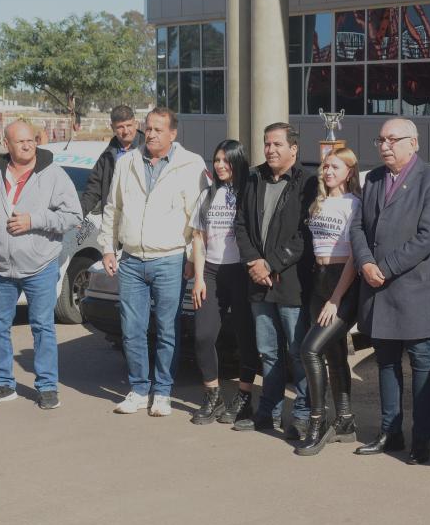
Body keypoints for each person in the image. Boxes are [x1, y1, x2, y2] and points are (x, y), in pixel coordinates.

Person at [350, 118, 430, 465]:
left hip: (414, 289)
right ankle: (390, 431)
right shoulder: (374, 179)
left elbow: (427, 237)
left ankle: (421, 440)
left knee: (422, 363)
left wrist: (385, 268)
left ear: (414, 143)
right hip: (377, 288)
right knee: (386, 363)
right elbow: (358, 226)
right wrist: (365, 262)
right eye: (380, 139)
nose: (384, 145)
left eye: (392, 139)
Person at [100, 107, 208, 417]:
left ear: (173, 133)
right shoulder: (128, 162)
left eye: (158, 129)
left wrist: (190, 257)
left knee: (166, 328)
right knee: (131, 328)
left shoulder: (191, 165)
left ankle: (162, 392)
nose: (151, 134)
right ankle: (138, 389)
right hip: (132, 259)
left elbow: (197, 217)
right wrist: (108, 248)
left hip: (170, 259)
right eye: (148, 128)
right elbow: (113, 208)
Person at [0, 121, 83, 409]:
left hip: (40, 265)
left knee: (42, 326)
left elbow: (73, 217)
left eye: (31, 140)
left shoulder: (53, 175)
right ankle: (2, 384)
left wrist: (34, 220)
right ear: (5, 144)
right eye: (20, 141)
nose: (27, 145)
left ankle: (46, 387)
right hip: (1, 267)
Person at [232, 122, 318, 440]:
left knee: (297, 352)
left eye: (277, 144)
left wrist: (271, 263)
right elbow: (240, 224)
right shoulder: (253, 178)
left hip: (291, 282)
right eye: (267, 144)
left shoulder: (309, 182)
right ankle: (268, 411)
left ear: (293, 149)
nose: (270, 149)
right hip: (257, 282)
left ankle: (302, 415)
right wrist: (254, 262)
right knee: (268, 351)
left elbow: (304, 235)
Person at [187, 140, 260, 425]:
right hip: (212, 273)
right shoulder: (207, 195)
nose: (219, 165)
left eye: (225, 160)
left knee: (245, 336)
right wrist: (198, 278)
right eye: (216, 160)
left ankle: (243, 396)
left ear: (237, 162)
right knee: (203, 335)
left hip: (242, 272)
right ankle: (212, 394)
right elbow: (197, 237)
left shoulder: (248, 192)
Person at [295, 148, 362, 456]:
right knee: (334, 357)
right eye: (325, 167)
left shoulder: (354, 205)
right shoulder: (319, 203)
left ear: (349, 172)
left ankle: (318, 420)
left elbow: (352, 257)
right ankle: (345, 421)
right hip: (318, 280)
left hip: (341, 285)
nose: (327, 171)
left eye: (335, 167)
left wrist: (336, 299)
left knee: (310, 350)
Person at [81, 105, 145, 215]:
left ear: (136, 123)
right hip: (113, 218)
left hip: (141, 218)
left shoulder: (149, 149)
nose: (125, 131)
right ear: (112, 127)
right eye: (120, 127)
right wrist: (78, 214)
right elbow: (93, 189)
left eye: (129, 125)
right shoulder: (107, 156)